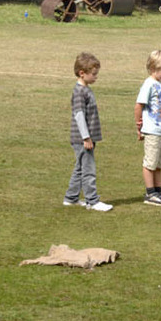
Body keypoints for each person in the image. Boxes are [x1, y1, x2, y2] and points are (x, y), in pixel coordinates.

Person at [63, 52, 113, 211]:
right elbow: (79, 116)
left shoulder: (86, 89)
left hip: (87, 138)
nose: (96, 77)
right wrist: (86, 138)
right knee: (88, 170)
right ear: (82, 73)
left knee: (80, 168)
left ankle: (71, 198)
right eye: (94, 74)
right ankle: (92, 200)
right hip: (82, 139)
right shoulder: (79, 92)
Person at [135, 49, 161, 206]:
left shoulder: (159, 85)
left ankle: (158, 191)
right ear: (153, 69)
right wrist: (139, 126)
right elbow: (139, 105)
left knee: (160, 163)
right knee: (150, 163)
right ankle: (150, 193)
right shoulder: (148, 85)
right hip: (152, 130)